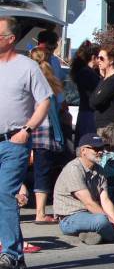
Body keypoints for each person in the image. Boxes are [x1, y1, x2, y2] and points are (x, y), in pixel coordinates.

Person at [0, 16, 53, 269]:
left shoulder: (27, 67)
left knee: (4, 194)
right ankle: (17, 253)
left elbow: (44, 100)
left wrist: (27, 130)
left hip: (13, 142)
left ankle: (9, 253)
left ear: (10, 39)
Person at [53, 134, 114, 244]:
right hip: (71, 218)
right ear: (83, 150)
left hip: (93, 215)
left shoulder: (99, 169)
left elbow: (105, 200)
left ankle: (94, 235)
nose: (100, 152)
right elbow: (89, 203)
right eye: (96, 149)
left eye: (102, 148)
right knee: (101, 221)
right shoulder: (73, 169)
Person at [26, 48, 65, 225]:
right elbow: (60, 105)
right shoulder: (51, 82)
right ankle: (40, 213)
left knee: (16, 172)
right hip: (45, 132)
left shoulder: (26, 79)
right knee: (42, 172)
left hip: (23, 131)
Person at [70, 42, 101, 143]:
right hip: (88, 113)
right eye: (100, 58)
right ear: (93, 57)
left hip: (87, 112)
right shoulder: (86, 73)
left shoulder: (91, 73)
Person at [90, 46, 114, 129]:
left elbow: (96, 101)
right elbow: (91, 101)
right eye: (97, 58)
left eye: (101, 58)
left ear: (111, 60)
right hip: (101, 127)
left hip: (110, 129)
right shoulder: (104, 79)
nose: (98, 61)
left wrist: (96, 97)